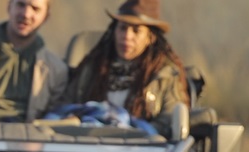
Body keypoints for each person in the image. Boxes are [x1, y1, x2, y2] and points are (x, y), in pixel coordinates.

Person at [65, 0, 190, 133]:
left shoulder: (165, 76)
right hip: (87, 144)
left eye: (136, 31)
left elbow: (169, 121)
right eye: (122, 28)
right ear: (114, 30)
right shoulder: (91, 68)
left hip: (143, 149)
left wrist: (134, 131)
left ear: (150, 37)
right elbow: (66, 106)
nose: (127, 36)